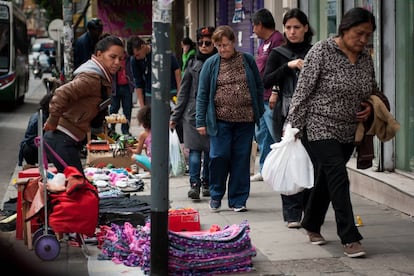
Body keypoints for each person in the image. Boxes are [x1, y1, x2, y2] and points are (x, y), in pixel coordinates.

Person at [285, 7, 376, 258]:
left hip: (348, 130)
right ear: (345, 29)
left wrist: (369, 107)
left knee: (327, 179)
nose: (363, 40)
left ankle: (311, 223)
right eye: (359, 33)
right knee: (338, 176)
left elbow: (372, 90)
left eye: (368, 35)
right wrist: (293, 127)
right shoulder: (322, 51)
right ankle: (349, 236)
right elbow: (302, 91)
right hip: (319, 126)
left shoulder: (365, 58)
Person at [196, 25, 264, 212]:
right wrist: (200, 121)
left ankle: (238, 200)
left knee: (241, 159)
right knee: (219, 156)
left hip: (245, 120)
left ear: (233, 43)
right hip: (220, 121)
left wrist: (258, 111)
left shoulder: (247, 60)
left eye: (226, 45)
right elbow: (202, 94)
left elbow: (258, 86)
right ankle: (216, 194)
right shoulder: (210, 64)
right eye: (218, 45)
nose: (223, 49)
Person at [262, 8, 314, 229]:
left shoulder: (315, 52)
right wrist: (288, 66)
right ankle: (292, 213)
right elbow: (266, 80)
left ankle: (310, 212)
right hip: (285, 115)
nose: (292, 31)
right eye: (288, 27)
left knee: (311, 162)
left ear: (305, 29)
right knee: (289, 162)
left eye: (296, 27)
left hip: (313, 116)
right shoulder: (278, 53)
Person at [43, 35, 124, 174]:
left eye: (120, 59)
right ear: (99, 54)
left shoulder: (100, 76)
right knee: (79, 187)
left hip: (67, 139)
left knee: (75, 186)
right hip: (61, 138)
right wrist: (53, 120)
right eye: (113, 57)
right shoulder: (91, 78)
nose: (117, 62)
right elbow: (61, 93)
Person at [170, 26, 217, 200]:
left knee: (211, 152)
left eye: (208, 42)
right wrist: (175, 116)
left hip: (213, 115)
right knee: (196, 152)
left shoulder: (220, 62)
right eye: (201, 42)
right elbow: (183, 91)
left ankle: (206, 183)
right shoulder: (191, 63)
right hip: (192, 114)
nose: (204, 46)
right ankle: (196, 184)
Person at [250, 8, 285, 182]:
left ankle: (280, 168)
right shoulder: (264, 42)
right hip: (261, 96)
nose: (253, 30)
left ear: (260, 24)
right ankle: (265, 168)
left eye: (254, 26)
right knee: (262, 135)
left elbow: (279, 69)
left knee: (276, 135)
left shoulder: (277, 40)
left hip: (271, 96)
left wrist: (275, 92)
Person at [127, 35, 181, 108]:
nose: (137, 58)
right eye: (134, 56)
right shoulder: (134, 60)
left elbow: (176, 70)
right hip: (150, 93)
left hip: (170, 90)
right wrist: (142, 105)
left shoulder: (161, 50)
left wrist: (179, 90)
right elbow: (138, 82)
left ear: (143, 46)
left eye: (138, 55)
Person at [18, 93, 54, 169]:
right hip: (33, 150)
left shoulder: (43, 115)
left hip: (35, 148)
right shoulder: (39, 119)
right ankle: (32, 167)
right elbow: (30, 140)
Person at [109, 50, 134, 135]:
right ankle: (112, 128)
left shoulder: (129, 59)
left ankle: (125, 130)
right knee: (114, 108)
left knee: (127, 109)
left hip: (127, 86)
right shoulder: (114, 59)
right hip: (116, 86)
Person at [129, 105, 152, 172]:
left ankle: (151, 171)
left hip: (153, 163)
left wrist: (130, 150)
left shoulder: (143, 134)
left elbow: (138, 152)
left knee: (134, 157)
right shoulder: (158, 131)